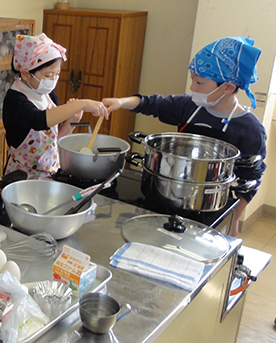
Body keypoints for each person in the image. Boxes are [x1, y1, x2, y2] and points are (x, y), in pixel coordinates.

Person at [103, 36, 267, 236]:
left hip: (212, 208)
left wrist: (233, 218)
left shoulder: (250, 129)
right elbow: (152, 104)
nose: (192, 88)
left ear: (228, 87)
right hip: (169, 197)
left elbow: (251, 179)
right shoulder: (189, 107)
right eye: (192, 79)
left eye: (200, 82)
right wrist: (121, 102)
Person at [2, 33, 109, 178]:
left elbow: (53, 141)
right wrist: (81, 104)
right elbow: (39, 120)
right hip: (21, 176)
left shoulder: (49, 96)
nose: (53, 80)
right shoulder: (15, 101)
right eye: (48, 75)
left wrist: (72, 121)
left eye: (57, 74)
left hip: (50, 173)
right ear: (26, 74)